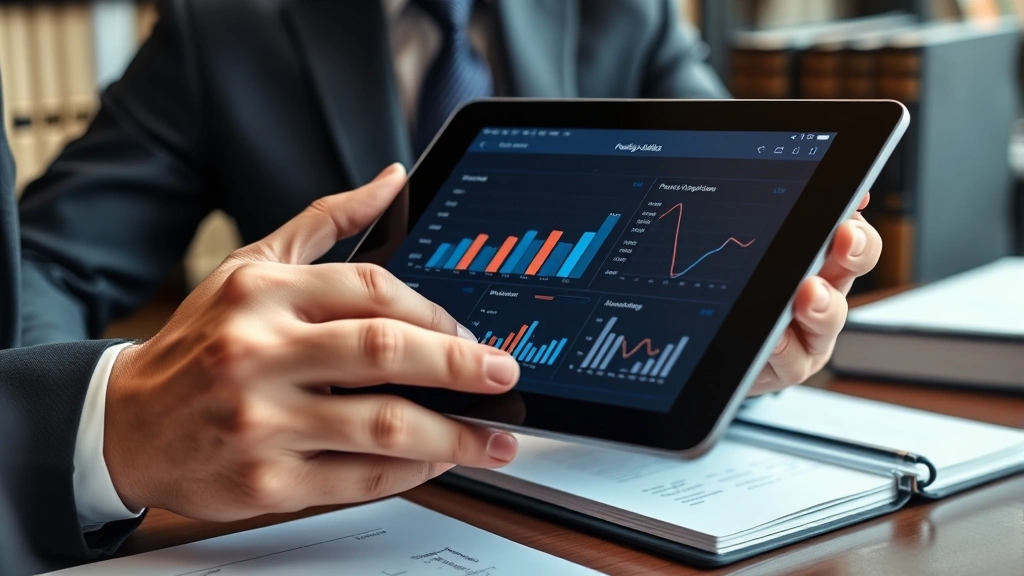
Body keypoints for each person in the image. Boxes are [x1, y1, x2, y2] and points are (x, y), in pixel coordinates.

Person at [8, 0, 882, 565]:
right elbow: (45, 261)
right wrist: (114, 427)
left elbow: (752, 213)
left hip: (583, 500)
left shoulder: (630, 12)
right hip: (311, 503)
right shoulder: (220, 29)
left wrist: (743, 345)